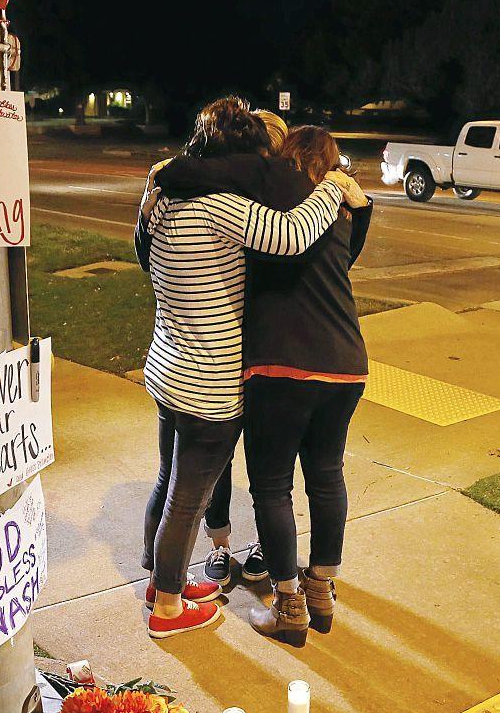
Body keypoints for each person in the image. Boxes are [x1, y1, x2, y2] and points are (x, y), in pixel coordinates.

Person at [134, 98, 361, 640]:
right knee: (188, 498)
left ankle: (158, 576)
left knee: (169, 480)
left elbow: (143, 253)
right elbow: (291, 235)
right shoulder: (218, 205)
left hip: (167, 362)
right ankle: (167, 607)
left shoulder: (161, 198)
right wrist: (333, 187)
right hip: (208, 378)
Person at [198, 108, 289, 588]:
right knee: (220, 458)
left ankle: (260, 544)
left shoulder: (283, 205)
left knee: (266, 459)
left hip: (269, 347)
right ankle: (219, 543)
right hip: (227, 345)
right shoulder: (226, 201)